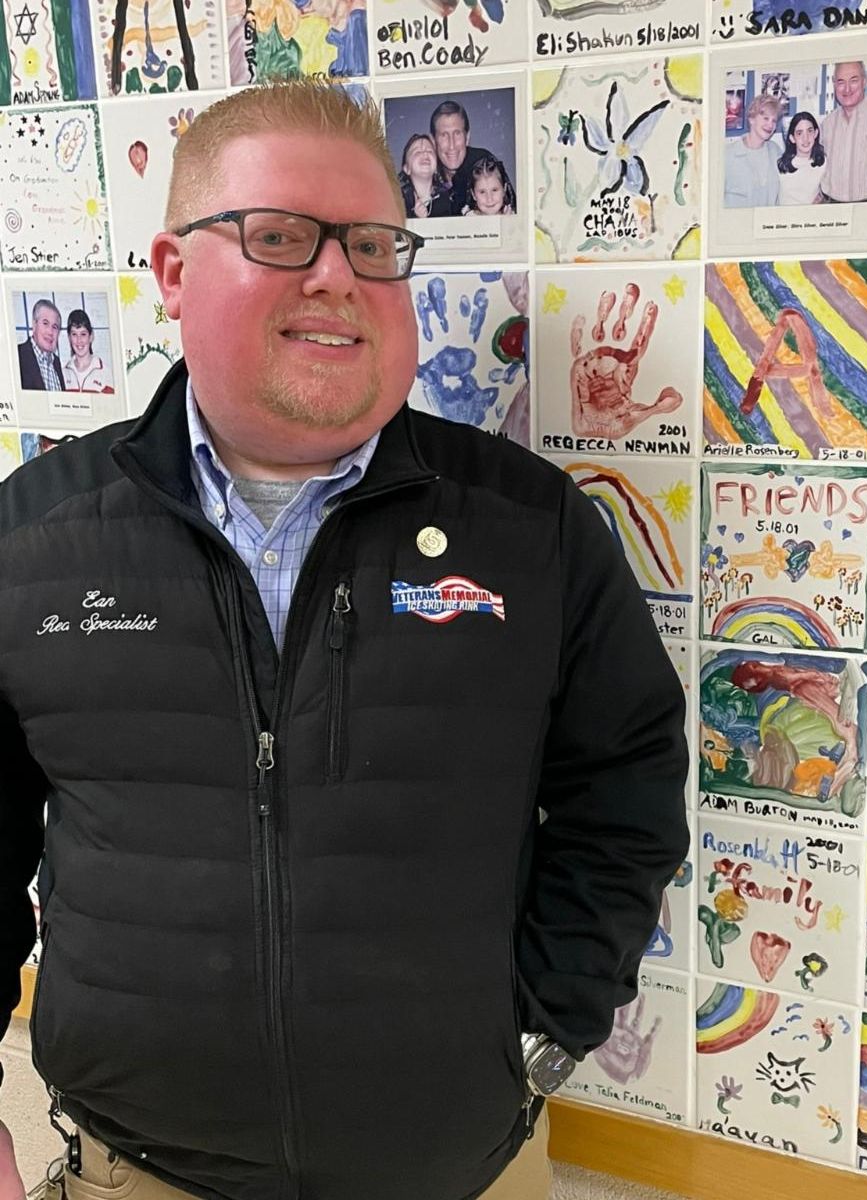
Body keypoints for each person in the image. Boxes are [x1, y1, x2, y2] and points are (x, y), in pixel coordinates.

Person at [0, 79, 688, 1200]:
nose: (337, 276)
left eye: (371, 245)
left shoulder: (531, 531)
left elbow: (627, 787)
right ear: (172, 272)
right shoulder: (34, 539)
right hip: (138, 1165)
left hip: (464, 1168)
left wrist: (544, 1029)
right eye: (279, 235)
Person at [431, 99, 507, 216]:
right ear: (433, 141)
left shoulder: (484, 163)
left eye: (457, 133)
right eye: (444, 135)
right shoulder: (424, 174)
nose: (452, 145)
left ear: (467, 137)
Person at [819, 60, 867, 203]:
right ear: (834, 85)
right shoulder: (827, 124)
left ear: (864, 82)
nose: (847, 89)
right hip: (832, 205)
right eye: (841, 82)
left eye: (853, 81)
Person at [723, 94, 782, 208]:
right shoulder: (727, 155)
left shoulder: (775, 151)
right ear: (751, 119)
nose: (770, 125)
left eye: (774, 121)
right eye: (766, 118)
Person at [397, 132, 453, 219]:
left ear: (436, 168)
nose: (425, 153)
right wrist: (415, 218)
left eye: (430, 151)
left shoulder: (449, 201)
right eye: (417, 152)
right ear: (407, 169)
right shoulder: (397, 202)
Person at [776, 111, 826, 206]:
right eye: (799, 133)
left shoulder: (823, 163)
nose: (805, 138)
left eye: (809, 131)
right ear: (792, 138)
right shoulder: (780, 165)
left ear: (816, 133)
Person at [16, 299, 66, 391]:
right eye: (45, 323)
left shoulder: (57, 363)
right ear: (34, 325)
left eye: (54, 327)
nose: (50, 332)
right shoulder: (17, 356)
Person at [61, 310, 114, 394]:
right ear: (69, 338)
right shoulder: (63, 374)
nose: (79, 340)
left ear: (91, 336)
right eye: (74, 334)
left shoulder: (106, 374)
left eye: (83, 334)